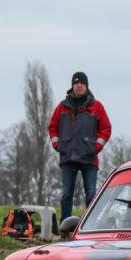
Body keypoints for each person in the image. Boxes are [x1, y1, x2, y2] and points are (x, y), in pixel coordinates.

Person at [48, 71, 111, 220]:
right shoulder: (62, 107)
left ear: (86, 85)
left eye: (82, 83)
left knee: (91, 194)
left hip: (89, 158)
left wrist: (96, 147)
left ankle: (90, 225)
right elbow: (52, 126)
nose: (79, 85)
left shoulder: (97, 106)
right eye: (76, 83)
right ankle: (65, 227)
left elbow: (106, 128)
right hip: (68, 157)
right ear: (72, 86)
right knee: (66, 194)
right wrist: (57, 144)